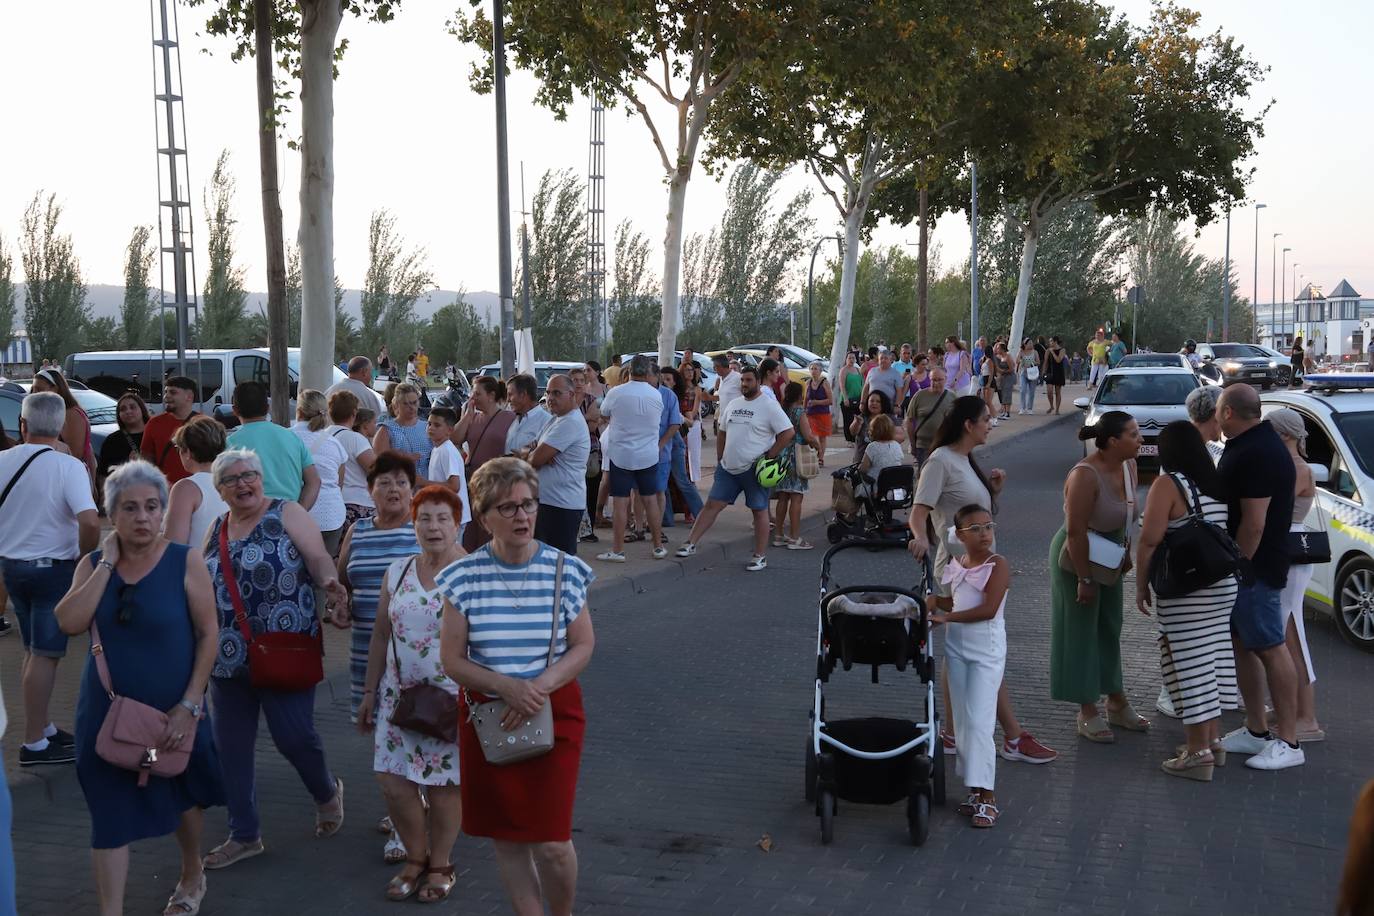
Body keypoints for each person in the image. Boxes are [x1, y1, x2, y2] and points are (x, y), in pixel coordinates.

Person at [54, 460, 224, 916]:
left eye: (152, 506)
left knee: (182, 796)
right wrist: (107, 564)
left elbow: (209, 633)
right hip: (107, 713)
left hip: (175, 708)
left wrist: (190, 703)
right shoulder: (94, 565)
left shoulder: (184, 560)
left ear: (163, 511)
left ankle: (192, 872)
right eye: (130, 508)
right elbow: (68, 622)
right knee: (108, 812)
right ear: (112, 514)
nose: (143, 517)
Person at [437, 458, 596, 916]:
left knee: (552, 842)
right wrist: (505, 687)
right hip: (490, 718)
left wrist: (537, 687)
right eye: (507, 508)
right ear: (484, 517)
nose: (522, 516)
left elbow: (583, 645)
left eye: (528, 504)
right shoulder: (463, 577)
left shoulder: (566, 570)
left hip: (554, 713)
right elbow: (451, 659)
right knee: (507, 838)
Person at [201, 449, 347, 869]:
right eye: (232, 479)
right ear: (220, 490)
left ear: (261, 478)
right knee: (231, 748)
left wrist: (330, 583)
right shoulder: (216, 527)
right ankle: (244, 834)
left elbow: (317, 557)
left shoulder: (286, 513)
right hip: (228, 658)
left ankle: (326, 792)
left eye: (249, 474)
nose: (243, 483)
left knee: (293, 737)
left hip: (285, 648)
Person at [907, 396, 1057, 765]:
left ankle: (957, 733)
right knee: (983, 653)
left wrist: (994, 491)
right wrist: (920, 537)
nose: (991, 424)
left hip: (982, 569)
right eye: (986, 419)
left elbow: (972, 516)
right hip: (961, 571)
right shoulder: (940, 461)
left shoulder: (964, 460)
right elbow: (919, 511)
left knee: (968, 652)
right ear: (968, 424)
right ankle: (1011, 736)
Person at [357, 486, 465, 904]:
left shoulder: (471, 575)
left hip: (449, 701)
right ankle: (416, 857)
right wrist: (369, 691)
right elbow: (381, 634)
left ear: (457, 524)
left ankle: (441, 864)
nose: (433, 527)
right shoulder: (398, 570)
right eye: (424, 519)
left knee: (442, 786)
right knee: (393, 782)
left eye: (442, 518)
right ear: (413, 525)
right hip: (397, 699)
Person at [0, 392, 101, 767]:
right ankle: (33, 742)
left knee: (32, 651)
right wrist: (83, 556)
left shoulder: (2, 461)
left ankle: (42, 727)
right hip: (52, 570)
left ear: (22, 424)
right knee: (45, 655)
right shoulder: (68, 466)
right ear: (60, 426)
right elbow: (90, 522)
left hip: (12, 568)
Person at [1133, 421, 1238, 780]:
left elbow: (1150, 540)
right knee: (1212, 661)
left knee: (1189, 667)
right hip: (1221, 584)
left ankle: (1197, 754)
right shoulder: (1216, 483)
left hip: (1187, 588)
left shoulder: (1168, 484)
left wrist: (1141, 586)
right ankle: (1213, 742)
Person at [1215, 385, 1304, 770]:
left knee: (1270, 646)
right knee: (1244, 645)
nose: (1216, 418)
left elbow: (1254, 523)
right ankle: (1256, 729)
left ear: (1229, 412)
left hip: (1256, 569)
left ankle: (1289, 740)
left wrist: (1237, 567)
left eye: (1218, 411)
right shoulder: (1251, 445)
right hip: (1249, 568)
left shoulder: (1258, 452)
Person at [1050, 410, 1148, 743]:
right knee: (1080, 630)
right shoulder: (1084, 475)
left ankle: (1116, 701)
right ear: (1112, 441)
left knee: (1109, 625)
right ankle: (1087, 709)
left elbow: (1128, 515)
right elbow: (1075, 532)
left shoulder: (1129, 465)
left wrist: (1126, 554)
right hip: (1078, 556)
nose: (1141, 440)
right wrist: (1084, 579)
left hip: (1110, 554)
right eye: (1133, 435)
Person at [926, 504, 1009, 828]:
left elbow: (988, 609)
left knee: (979, 722)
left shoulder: (997, 564)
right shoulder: (958, 563)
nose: (984, 534)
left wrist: (946, 617)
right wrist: (935, 602)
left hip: (986, 652)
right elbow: (957, 601)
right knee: (962, 723)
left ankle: (989, 797)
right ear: (960, 536)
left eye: (988, 527)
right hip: (957, 650)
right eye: (975, 529)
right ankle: (975, 791)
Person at [674, 366, 794, 572]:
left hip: (754, 469)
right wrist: (720, 457)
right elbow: (722, 431)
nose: (744, 384)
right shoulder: (734, 404)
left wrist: (770, 455)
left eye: (748, 380)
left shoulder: (769, 405)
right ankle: (690, 543)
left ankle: (759, 556)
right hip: (728, 469)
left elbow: (788, 432)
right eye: (742, 380)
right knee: (712, 505)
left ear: (758, 381)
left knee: (759, 510)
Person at [335, 452, 419, 719]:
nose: (394, 489)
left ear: (411, 491)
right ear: (370, 490)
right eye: (384, 483)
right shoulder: (357, 531)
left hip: (414, 652)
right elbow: (343, 584)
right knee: (376, 727)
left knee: (418, 725)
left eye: (401, 482)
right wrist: (339, 605)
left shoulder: (424, 530)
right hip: (366, 647)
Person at [1268, 408, 1324, 742]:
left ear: (1285, 435)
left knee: (1292, 636)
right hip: (1286, 553)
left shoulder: (1296, 469)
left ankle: (1306, 717)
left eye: (1270, 431)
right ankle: (1293, 709)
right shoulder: (1291, 466)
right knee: (1286, 634)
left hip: (1290, 553)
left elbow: (1271, 507)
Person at [596, 356, 666, 564]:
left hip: (621, 455)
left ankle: (618, 550)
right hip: (648, 455)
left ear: (628, 371)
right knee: (650, 500)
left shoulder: (616, 392)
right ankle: (658, 546)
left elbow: (604, 413)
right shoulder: (656, 394)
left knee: (620, 502)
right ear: (647, 372)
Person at [224, 381, 321, 510]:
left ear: (235, 410)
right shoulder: (292, 438)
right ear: (267, 408)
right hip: (289, 513)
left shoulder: (229, 444)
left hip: (249, 516)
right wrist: (299, 512)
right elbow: (314, 482)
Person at [525, 374, 589, 556]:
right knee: (543, 562)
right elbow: (529, 449)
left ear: (571, 394)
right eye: (548, 392)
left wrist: (537, 455)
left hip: (561, 506)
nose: (550, 398)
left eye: (556, 393)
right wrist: (537, 453)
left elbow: (534, 460)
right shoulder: (555, 419)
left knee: (560, 563)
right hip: (548, 502)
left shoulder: (570, 422)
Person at [452, 377, 516, 553]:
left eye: (477, 394)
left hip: (497, 483)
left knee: (491, 528)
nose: (473, 397)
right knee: (472, 529)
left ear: (491, 395)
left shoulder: (509, 418)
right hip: (474, 483)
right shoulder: (472, 417)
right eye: (472, 393)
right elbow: (455, 438)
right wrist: (467, 416)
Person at [290, 389, 348, 557]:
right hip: (332, 515)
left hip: (296, 514)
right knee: (325, 566)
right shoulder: (334, 443)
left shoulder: (286, 437)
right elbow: (339, 484)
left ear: (299, 411)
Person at [163, 415, 230, 549]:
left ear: (187, 452)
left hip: (199, 561)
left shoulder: (186, 488)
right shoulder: (234, 482)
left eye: (178, 448)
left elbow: (174, 546)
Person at [771, 381, 822, 551]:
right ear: (800, 396)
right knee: (796, 497)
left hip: (781, 456)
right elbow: (807, 436)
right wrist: (818, 446)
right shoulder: (799, 412)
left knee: (782, 496)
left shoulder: (781, 411)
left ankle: (779, 535)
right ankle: (794, 538)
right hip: (796, 457)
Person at [327, 390, 378, 533]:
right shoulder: (355, 439)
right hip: (358, 503)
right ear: (354, 413)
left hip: (333, 504)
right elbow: (375, 470)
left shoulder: (324, 436)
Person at [659, 368, 703, 532]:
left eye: (668, 379)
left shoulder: (673, 397)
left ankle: (701, 514)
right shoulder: (659, 395)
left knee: (682, 480)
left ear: (675, 382)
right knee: (663, 483)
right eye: (662, 379)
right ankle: (666, 518)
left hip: (674, 441)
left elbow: (688, 422)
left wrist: (678, 416)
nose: (665, 382)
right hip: (665, 442)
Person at [32, 367, 94, 479]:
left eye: (39, 389)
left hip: (70, 477)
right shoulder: (53, 413)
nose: (34, 394)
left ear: (55, 389)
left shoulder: (70, 414)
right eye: (33, 390)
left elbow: (75, 455)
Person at [141, 376, 203, 485]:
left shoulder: (204, 424)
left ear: (189, 396)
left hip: (198, 487)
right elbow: (146, 459)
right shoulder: (154, 423)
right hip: (165, 489)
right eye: (166, 392)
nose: (166, 397)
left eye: (173, 392)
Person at [423, 407, 472, 537]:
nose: (431, 428)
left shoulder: (447, 451)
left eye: (437, 425)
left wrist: (423, 482)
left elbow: (454, 486)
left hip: (453, 515)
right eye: (429, 424)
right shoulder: (437, 449)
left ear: (449, 430)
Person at [650, 366, 684, 538]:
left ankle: (657, 528)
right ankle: (639, 526)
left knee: (659, 490)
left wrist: (660, 445)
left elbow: (675, 423)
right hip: (639, 452)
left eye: (648, 375)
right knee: (638, 492)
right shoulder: (638, 394)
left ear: (657, 377)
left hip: (661, 454)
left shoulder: (669, 395)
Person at [96, 392, 150, 500]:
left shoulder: (154, 434)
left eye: (132, 407)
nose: (128, 411)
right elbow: (103, 473)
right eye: (123, 409)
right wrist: (105, 497)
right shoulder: (112, 440)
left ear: (142, 409)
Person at [374, 382, 432, 481]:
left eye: (414, 403)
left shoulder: (426, 426)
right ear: (396, 404)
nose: (411, 407)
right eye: (406, 403)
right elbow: (380, 463)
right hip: (400, 484)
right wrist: (401, 458)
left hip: (428, 483)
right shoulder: (386, 429)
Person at [905, 367, 953, 470]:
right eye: (933, 380)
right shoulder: (919, 396)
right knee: (924, 474)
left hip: (945, 446)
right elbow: (909, 421)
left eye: (939, 380)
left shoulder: (952, 397)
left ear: (946, 379)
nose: (936, 383)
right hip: (923, 446)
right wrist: (912, 444)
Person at [850, 390, 906, 464]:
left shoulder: (890, 418)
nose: (874, 403)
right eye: (871, 401)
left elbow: (901, 437)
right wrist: (857, 423)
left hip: (884, 462)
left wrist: (883, 437)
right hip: (861, 460)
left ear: (883, 403)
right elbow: (853, 432)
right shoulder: (862, 417)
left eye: (878, 401)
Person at [506, 374, 551, 455]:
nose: (508, 400)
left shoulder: (546, 422)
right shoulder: (511, 419)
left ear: (523, 394)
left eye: (510, 395)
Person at [678, 361, 706, 483]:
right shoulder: (678, 388)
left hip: (693, 422)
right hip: (680, 422)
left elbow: (695, 407)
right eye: (687, 370)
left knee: (694, 452)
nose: (690, 373)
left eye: (691, 370)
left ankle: (694, 479)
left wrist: (690, 417)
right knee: (682, 452)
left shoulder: (697, 388)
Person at [804, 360, 834, 445]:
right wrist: (803, 411)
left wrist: (817, 402)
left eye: (815, 369)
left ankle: (821, 453)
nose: (813, 371)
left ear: (820, 371)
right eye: (811, 369)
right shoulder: (808, 383)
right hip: (810, 413)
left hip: (822, 413)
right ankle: (816, 448)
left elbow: (830, 401)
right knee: (809, 435)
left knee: (822, 437)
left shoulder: (825, 383)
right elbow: (805, 399)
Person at [837, 351, 864, 442]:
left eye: (853, 358)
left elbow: (862, 384)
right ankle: (849, 439)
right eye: (849, 358)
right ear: (846, 359)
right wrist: (845, 398)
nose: (851, 360)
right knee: (848, 420)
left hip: (858, 398)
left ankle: (857, 438)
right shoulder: (843, 370)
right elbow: (842, 385)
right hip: (847, 399)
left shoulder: (857, 370)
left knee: (858, 419)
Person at [1041, 336, 1069, 414]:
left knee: (1057, 391)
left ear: (1055, 342)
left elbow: (1058, 360)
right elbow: (1045, 361)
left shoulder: (1062, 350)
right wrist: (1043, 371)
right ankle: (1051, 406)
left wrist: (1053, 352)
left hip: (1058, 371)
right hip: (1050, 371)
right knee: (1049, 391)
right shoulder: (1048, 350)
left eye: (1051, 341)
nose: (1050, 343)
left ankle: (1057, 409)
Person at [1017, 338, 1040, 415]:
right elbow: (1017, 360)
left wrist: (1032, 363)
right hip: (1023, 373)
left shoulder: (1035, 352)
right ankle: (1022, 408)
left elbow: (1038, 362)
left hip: (1032, 372)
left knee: (1031, 391)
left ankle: (1029, 408)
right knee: (1023, 390)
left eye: (1031, 343)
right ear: (1025, 344)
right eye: (1029, 343)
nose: (1031, 345)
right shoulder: (1021, 352)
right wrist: (1021, 359)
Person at [993, 343, 1015, 421]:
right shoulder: (1000, 357)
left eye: (998, 348)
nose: (997, 350)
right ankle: (1005, 411)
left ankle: (1008, 412)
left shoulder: (1007, 357)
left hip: (1008, 377)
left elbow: (1011, 369)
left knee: (1007, 393)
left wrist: (1002, 371)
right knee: (1003, 393)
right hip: (1003, 378)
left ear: (1002, 349)